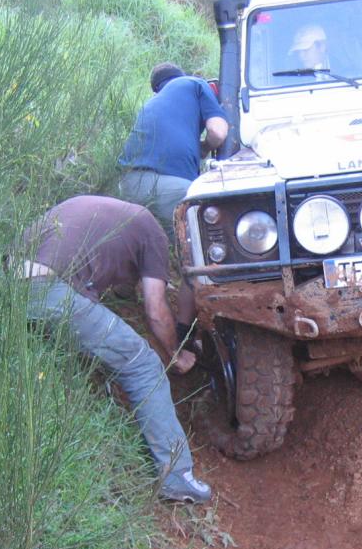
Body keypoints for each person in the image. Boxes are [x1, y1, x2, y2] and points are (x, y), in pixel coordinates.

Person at [19, 195, 211, 504]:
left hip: (13, 281)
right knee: (144, 365)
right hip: (48, 290)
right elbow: (154, 309)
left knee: (117, 350)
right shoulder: (154, 233)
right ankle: (177, 477)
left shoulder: (107, 215)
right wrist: (176, 354)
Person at [118, 62, 229, 242]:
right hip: (172, 188)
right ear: (182, 75)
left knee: (162, 249)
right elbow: (218, 132)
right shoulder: (195, 84)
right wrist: (205, 148)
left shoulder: (151, 104)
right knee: (209, 238)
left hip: (127, 186)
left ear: (156, 90)